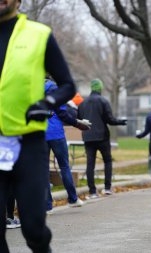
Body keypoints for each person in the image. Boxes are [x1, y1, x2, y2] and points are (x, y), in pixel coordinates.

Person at [0, 0, 76, 252]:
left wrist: (48, 102)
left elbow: (67, 85)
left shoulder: (38, 35)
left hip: (29, 144)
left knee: (33, 228)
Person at [44, 79, 91, 214]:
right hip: (57, 134)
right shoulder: (55, 88)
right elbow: (63, 114)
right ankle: (72, 199)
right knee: (64, 166)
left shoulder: (33, 88)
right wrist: (77, 123)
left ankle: (47, 206)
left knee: (43, 170)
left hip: (40, 134)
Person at [77, 79, 127, 199]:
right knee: (107, 161)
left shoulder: (82, 104)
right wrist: (121, 122)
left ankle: (92, 192)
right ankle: (107, 188)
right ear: (100, 88)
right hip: (102, 137)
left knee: (90, 164)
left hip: (88, 137)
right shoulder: (103, 101)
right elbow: (110, 119)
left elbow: (78, 120)